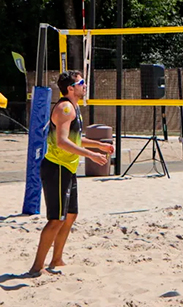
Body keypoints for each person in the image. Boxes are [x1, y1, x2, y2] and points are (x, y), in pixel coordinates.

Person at [29, 71, 114, 276]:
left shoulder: (74, 107)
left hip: (67, 168)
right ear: (70, 88)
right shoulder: (65, 107)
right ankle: (36, 267)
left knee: (70, 215)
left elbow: (74, 138)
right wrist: (91, 155)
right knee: (56, 218)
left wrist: (98, 145)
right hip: (56, 168)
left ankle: (56, 259)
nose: (85, 86)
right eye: (81, 83)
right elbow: (62, 142)